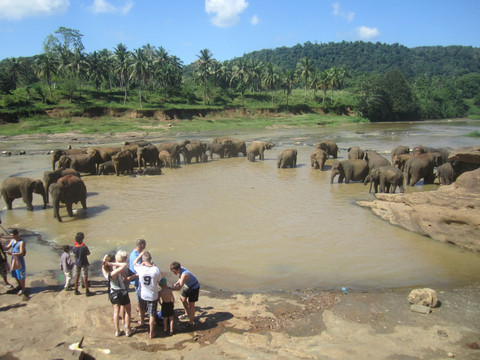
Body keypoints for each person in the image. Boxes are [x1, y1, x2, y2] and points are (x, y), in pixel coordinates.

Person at [102, 251, 136, 337]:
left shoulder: (105, 271)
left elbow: (104, 265)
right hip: (122, 291)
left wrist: (109, 263)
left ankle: (117, 331)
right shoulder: (114, 271)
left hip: (113, 292)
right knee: (128, 310)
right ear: (110, 262)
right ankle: (128, 330)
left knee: (116, 312)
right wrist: (114, 263)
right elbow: (124, 265)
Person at [133, 251, 161, 338]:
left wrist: (140, 255)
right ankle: (151, 333)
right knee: (152, 314)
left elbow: (134, 263)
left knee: (142, 309)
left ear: (143, 260)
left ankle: (142, 321)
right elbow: (159, 281)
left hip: (142, 294)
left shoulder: (140, 269)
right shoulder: (156, 269)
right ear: (151, 259)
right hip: (152, 295)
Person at [170, 261, 200, 326]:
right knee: (183, 299)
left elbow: (179, 288)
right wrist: (177, 282)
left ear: (178, 269)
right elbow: (180, 278)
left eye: (174, 271)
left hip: (194, 287)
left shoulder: (185, 274)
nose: (173, 273)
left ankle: (191, 322)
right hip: (187, 286)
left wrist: (169, 289)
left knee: (191, 304)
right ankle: (187, 314)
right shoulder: (181, 270)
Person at [4, 229, 26, 295]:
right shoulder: (12, 241)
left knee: (21, 274)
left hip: (19, 260)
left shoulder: (21, 242)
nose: (11, 237)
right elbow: (7, 247)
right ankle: (19, 285)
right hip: (14, 259)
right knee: (14, 273)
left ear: (17, 235)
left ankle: (23, 288)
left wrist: (12, 254)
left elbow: (21, 253)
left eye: (12, 236)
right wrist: (2, 246)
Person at [129, 238, 146, 320]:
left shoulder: (135, 252)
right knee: (138, 295)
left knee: (138, 294)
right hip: (136, 277)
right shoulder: (136, 255)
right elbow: (139, 266)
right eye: (145, 245)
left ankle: (139, 309)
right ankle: (140, 311)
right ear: (142, 245)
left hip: (135, 277)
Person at [72, 232, 91, 296]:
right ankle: (87, 290)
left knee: (77, 276)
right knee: (85, 276)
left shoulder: (74, 247)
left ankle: (76, 289)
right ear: (82, 239)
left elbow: (74, 254)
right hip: (84, 263)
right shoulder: (84, 247)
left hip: (77, 263)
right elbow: (88, 253)